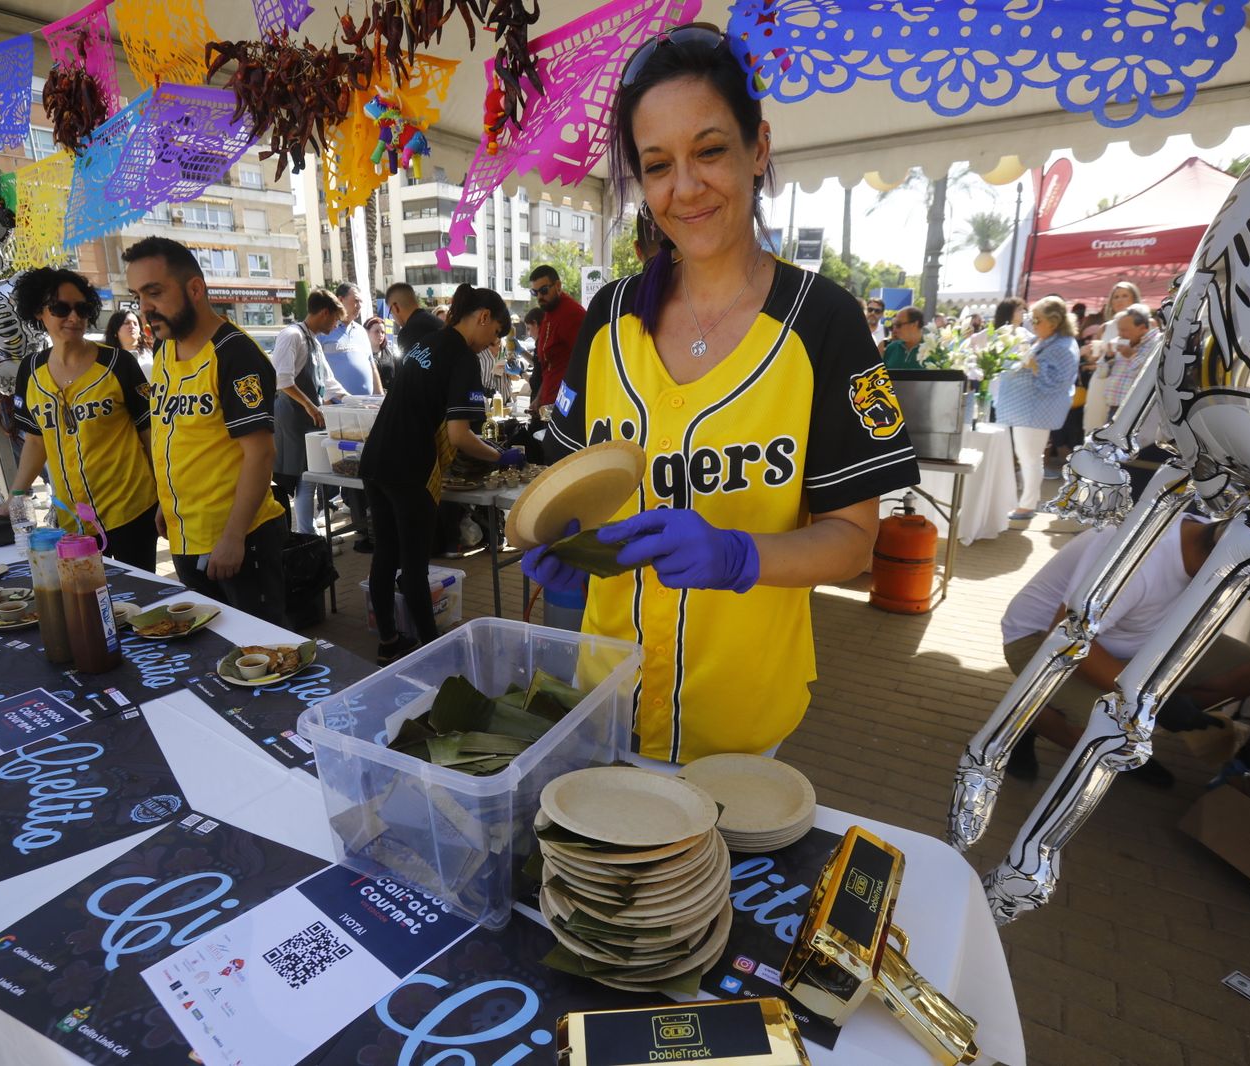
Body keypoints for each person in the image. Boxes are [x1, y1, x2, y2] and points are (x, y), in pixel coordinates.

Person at [523, 24, 919, 763]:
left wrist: (739, 557)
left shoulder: (822, 322)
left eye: (709, 151)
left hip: (741, 728)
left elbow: (854, 543)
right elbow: (573, 485)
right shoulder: (610, 317)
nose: (686, 187)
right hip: (603, 706)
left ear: (757, 149)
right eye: (658, 165)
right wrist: (557, 540)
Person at [1000, 514, 1250, 786]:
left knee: (1249, 672)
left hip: (1138, 636)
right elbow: (1072, 639)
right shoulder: (1138, 559)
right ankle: (1027, 717)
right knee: (1113, 737)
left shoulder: (1225, 543)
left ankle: (1130, 727)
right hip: (1042, 640)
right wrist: (1151, 699)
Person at [123, 237, 287, 624]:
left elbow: (260, 454)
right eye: (138, 296)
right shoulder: (165, 350)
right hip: (185, 533)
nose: (145, 308)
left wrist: (233, 537)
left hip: (239, 538)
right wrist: (168, 503)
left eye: (155, 292)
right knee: (209, 642)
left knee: (266, 649)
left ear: (195, 288)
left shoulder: (235, 354)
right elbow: (174, 433)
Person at [358, 284, 524, 664]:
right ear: (483, 317)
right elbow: (459, 435)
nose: (491, 343)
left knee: (385, 553)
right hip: (407, 464)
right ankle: (432, 650)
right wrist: (500, 457)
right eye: (496, 332)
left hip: (377, 456)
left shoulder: (428, 342)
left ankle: (388, 641)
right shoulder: (463, 358)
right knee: (414, 564)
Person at [3, 268, 159, 571]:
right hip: (71, 517)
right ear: (39, 311)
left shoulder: (117, 363)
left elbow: (149, 434)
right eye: (60, 308)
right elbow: (36, 440)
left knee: (138, 601)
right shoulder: (30, 370)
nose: (73, 317)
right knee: (85, 598)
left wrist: (166, 496)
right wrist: (15, 498)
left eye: (82, 308)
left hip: (131, 509)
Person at [993, 296, 1079, 522]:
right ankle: (1028, 502)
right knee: (1028, 457)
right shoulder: (1048, 340)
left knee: (1029, 459)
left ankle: (1027, 505)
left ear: (1054, 321)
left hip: (1035, 412)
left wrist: (1034, 367)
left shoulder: (1062, 347)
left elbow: (1057, 384)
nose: (1033, 323)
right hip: (1028, 411)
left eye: (1037, 319)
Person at [271, 289, 346, 537]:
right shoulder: (291, 335)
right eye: (335, 318)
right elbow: (283, 380)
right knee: (299, 476)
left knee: (309, 477)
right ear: (324, 312)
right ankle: (303, 535)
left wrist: (355, 402)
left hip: (310, 417)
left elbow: (330, 382)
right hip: (292, 417)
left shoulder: (312, 340)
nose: (336, 325)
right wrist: (310, 406)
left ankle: (308, 533)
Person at [320, 282, 380, 548]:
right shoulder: (325, 331)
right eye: (355, 300)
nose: (359, 305)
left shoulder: (360, 332)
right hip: (340, 413)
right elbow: (318, 371)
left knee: (367, 466)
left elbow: (370, 365)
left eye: (360, 300)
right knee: (348, 466)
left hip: (367, 411)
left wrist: (379, 396)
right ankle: (358, 524)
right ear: (340, 300)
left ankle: (369, 524)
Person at [1083, 281, 1141, 437]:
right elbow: (1095, 360)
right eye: (1116, 297)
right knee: (1094, 425)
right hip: (1102, 380)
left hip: (1126, 382)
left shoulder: (1146, 324)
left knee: (1118, 428)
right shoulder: (1105, 327)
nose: (1120, 300)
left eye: (1124, 296)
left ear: (1134, 299)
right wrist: (1089, 354)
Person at [528, 264, 586, 411]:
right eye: (535, 293)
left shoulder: (572, 314)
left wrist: (566, 407)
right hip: (549, 406)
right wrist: (539, 398)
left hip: (567, 408)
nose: (540, 297)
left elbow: (587, 362)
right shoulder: (548, 312)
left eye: (544, 290)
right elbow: (549, 367)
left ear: (558, 286)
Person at [1105, 304, 1158, 417]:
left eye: (1124, 330)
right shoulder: (1123, 341)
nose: (1120, 334)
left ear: (1142, 328)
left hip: (1134, 412)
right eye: (1119, 330)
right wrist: (1107, 357)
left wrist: (1132, 355)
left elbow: (1148, 375)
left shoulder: (1156, 343)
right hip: (1114, 407)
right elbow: (1101, 374)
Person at [386, 282, 444, 356]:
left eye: (391, 312)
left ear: (395, 307)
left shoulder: (407, 333)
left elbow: (408, 367)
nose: (393, 317)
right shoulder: (438, 322)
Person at [104, 308, 153, 379]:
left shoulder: (152, 351)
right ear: (115, 330)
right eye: (127, 323)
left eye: (135, 324)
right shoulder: (107, 358)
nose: (132, 326)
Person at [365, 315, 397, 391]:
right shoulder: (362, 354)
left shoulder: (390, 352)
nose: (381, 335)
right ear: (367, 332)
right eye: (377, 331)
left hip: (390, 397)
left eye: (383, 332)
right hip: (370, 399)